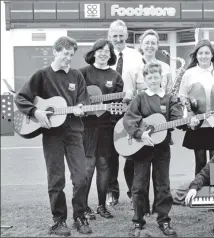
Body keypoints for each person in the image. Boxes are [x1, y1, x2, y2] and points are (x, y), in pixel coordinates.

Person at [14, 36, 92, 236]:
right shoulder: (42, 75)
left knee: (81, 178)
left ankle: (80, 217)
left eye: (71, 55)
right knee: (56, 179)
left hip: (74, 133)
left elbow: (83, 100)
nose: (68, 58)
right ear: (55, 51)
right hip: (52, 135)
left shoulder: (77, 76)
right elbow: (21, 98)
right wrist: (35, 112)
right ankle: (59, 221)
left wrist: (82, 108)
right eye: (65, 54)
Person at [123, 62, 195, 237]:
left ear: (161, 78)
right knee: (139, 186)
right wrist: (140, 134)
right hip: (142, 149)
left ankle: (164, 220)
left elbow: (178, 118)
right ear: (145, 79)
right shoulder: (140, 98)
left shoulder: (169, 98)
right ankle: (138, 222)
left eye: (156, 77)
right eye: (149, 77)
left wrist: (189, 122)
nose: (153, 80)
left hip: (162, 148)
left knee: (163, 185)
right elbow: (128, 120)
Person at [79, 39, 124, 220]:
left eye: (107, 51)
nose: (104, 53)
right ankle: (83, 206)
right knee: (88, 167)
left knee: (104, 166)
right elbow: (75, 99)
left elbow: (119, 105)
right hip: (86, 127)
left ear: (111, 55)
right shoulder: (82, 73)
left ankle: (101, 205)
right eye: (100, 50)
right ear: (94, 52)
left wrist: (111, 107)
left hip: (106, 126)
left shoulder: (116, 77)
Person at [178, 39, 214, 176]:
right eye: (200, 53)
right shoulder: (189, 73)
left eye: (207, 53)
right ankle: (198, 190)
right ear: (196, 55)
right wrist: (190, 113)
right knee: (200, 160)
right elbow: (182, 96)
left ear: (212, 55)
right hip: (198, 124)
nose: (203, 56)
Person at [107, 19, 143, 207]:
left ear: (127, 36)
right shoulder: (103, 54)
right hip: (108, 112)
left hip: (130, 111)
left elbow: (141, 84)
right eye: (115, 36)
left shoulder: (136, 56)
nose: (118, 39)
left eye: (121, 35)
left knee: (131, 153)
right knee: (110, 154)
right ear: (109, 36)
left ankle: (132, 191)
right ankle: (112, 192)